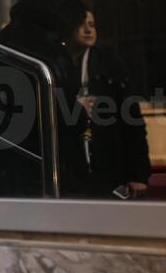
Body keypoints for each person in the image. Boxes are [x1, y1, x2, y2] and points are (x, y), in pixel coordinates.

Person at [0, 0, 93, 198]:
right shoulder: (45, 53)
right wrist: (80, 115)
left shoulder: (1, 43)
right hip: (39, 170)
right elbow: (56, 114)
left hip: (1, 166)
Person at [65, 10, 151, 199]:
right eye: (82, 24)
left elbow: (133, 122)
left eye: (93, 25)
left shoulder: (110, 64)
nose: (89, 30)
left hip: (108, 169)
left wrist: (138, 175)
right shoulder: (57, 65)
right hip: (74, 173)